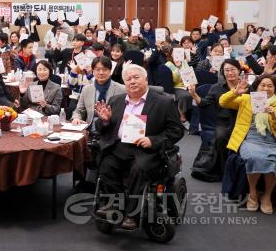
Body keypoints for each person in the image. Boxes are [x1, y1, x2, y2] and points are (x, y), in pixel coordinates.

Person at [94, 64, 184, 230]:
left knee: (139, 168)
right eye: (128, 79)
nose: (132, 81)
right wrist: (105, 121)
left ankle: (132, 214)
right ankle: (115, 204)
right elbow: (102, 128)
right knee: (106, 165)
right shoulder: (116, 100)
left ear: (146, 79)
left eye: (136, 77)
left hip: (147, 150)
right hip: (120, 147)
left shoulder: (164, 102)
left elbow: (176, 131)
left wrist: (153, 140)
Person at [220, 74, 276, 214]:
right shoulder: (247, 99)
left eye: (270, 86)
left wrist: (274, 115)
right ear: (257, 86)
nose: (266, 88)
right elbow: (223, 102)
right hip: (250, 138)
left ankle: (267, 196)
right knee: (254, 158)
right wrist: (235, 92)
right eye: (263, 85)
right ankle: (252, 193)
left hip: (271, 140)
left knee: (274, 161)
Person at [188, 59, 241, 179]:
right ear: (222, 72)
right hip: (223, 122)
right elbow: (204, 103)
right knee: (221, 137)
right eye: (227, 70)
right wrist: (194, 94)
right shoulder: (216, 88)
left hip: (243, 121)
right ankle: (224, 171)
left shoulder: (247, 87)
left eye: (233, 69)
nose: (230, 73)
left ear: (239, 70)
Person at [72, 56, 125, 125]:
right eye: (97, 69)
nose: (101, 73)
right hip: (89, 128)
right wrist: (76, 118)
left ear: (110, 71)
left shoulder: (122, 89)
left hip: (111, 130)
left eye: (105, 69)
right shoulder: (86, 89)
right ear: (93, 71)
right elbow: (79, 110)